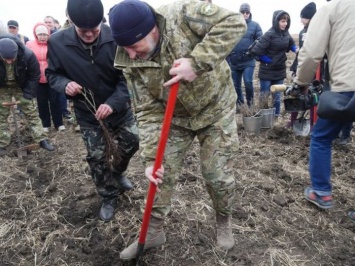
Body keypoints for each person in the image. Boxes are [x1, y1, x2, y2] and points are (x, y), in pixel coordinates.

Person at [109, 0, 246, 259]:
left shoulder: (184, 13)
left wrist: (197, 62)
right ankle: (153, 231)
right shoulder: (129, 61)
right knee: (160, 172)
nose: (132, 54)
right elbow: (147, 111)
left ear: (151, 32)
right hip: (175, 119)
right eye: (125, 48)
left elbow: (234, 23)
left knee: (216, 174)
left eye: (134, 46)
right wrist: (151, 159)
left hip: (215, 108)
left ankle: (223, 220)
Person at [46, 0, 140, 222]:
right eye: (83, 31)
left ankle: (117, 172)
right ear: (72, 23)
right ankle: (108, 195)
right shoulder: (58, 42)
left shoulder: (115, 37)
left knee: (133, 141)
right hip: (87, 113)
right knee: (97, 156)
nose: (89, 35)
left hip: (117, 109)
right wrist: (64, 84)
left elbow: (128, 76)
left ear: (102, 22)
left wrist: (113, 103)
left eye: (94, 30)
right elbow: (52, 74)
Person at [292, 0, 355, 210]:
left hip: (348, 84)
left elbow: (311, 53)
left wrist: (301, 83)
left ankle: (321, 193)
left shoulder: (331, 8)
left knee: (321, 137)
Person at [0, 35, 54, 156]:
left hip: (21, 85)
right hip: (2, 86)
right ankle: (2, 143)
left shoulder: (28, 55)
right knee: (1, 115)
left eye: (12, 59)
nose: (9, 62)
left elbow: (34, 75)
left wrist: (28, 94)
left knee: (31, 112)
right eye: (5, 59)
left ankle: (41, 139)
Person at [250, 10, 297, 118]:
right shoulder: (269, 34)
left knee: (277, 95)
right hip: (267, 70)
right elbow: (256, 51)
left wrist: (295, 49)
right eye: (282, 21)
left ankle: (276, 117)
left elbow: (291, 43)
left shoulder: (286, 33)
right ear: (276, 21)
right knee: (264, 95)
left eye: (286, 21)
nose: (285, 23)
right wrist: (267, 60)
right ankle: (263, 117)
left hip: (279, 69)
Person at [26, 23, 65, 132]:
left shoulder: (52, 43)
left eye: (45, 34)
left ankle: (59, 123)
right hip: (37, 78)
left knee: (55, 101)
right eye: (40, 34)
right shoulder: (30, 45)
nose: (43, 37)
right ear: (36, 35)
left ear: (48, 35)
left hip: (51, 77)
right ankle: (45, 124)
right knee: (41, 102)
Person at [228, 3, 262, 107]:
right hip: (234, 61)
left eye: (247, 12)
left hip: (248, 60)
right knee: (235, 84)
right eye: (243, 12)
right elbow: (227, 41)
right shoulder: (232, 26)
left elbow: (260, 39)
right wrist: (229, 57)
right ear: (240, 13)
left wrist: (252, 50)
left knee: (248, 82)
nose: (245, 14)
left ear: (249, 13)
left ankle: (250, 104)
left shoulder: (255, 25)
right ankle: (240, 105)